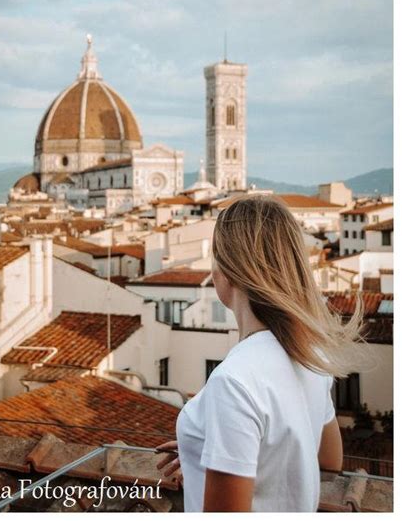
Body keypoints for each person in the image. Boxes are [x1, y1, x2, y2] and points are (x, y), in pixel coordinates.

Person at [155, 195, 373, 512]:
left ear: (226, 270)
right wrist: (202, 449)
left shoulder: (234, 380)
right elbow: (329, 461)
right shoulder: (309, 354)